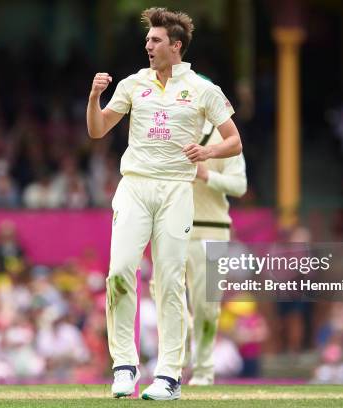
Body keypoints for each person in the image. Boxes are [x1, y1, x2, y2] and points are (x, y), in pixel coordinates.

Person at [86, 7, 242, 400]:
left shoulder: (203, 89)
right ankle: (124, 367)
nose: (148, 45)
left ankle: (168, 375)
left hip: (176, 190)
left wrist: (206, 155)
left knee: (171, 282)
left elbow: (233, 140)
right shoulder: (133, 84)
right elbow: (98, 129)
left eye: (155, 40)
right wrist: (94, 96)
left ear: (176, 46)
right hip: (135, 187)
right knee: (120, 272)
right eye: (147, 40)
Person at [185, 119, 247, 385]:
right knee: (166, 298)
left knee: (207, 306)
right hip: (173, 230)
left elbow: (239, 186)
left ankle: (203, 371)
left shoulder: (226, 140)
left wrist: (205, 174)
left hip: (212, 232)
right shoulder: (170, 131)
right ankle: (173, 366)